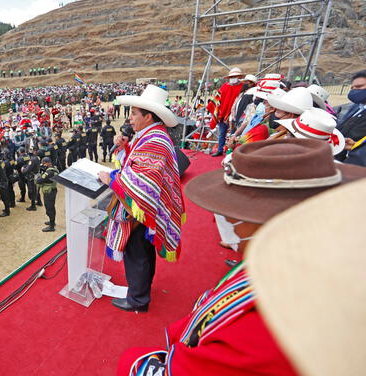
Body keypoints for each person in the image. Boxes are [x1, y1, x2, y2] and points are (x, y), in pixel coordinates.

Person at [119, 139, 366, 375]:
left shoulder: (265, 327)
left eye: (233, 210)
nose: (218, 219)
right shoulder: (294, 264)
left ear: (267, 221)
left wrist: (130, 359)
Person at [98, 85, 185, 312]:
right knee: (142, 252)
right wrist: (124, 147)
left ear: (148, 116)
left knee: (137, 253)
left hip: (142, 209)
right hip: (148, 209)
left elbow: (141, 184)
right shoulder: (151, 135)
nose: (129, 117)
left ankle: (138, 299)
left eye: (134, 113)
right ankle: (141, 290)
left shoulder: (154, 141)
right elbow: (136, 166)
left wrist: (111, 180)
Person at [212, 67, 245, 156]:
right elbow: (217, 99)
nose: (233, 78)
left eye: (235, 76)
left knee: (234, 134)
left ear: (239, 77)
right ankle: (219, 150)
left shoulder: (242, 87)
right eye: (232, 77)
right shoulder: (224, 86)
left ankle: (231, 152)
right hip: (222, 115)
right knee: (222, 133)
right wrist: (217, 110)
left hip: (235, 115)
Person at [34, 157, 59, 232]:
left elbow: (39, 181)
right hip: (52, 190)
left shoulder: (48, 172)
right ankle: (52, 222)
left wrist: (38, 177)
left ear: (48, 163)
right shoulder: (54, 168)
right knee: (51, 207)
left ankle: (51, 226)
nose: (43, 165)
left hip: (49, 192)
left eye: (44, 163)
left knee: (49, 208)